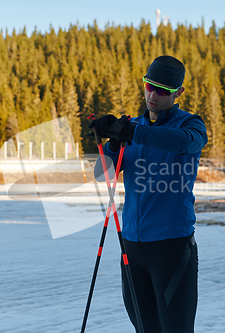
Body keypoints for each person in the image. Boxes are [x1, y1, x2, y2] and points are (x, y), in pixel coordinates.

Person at [88, 55, 208, 333]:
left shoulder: (189, 125)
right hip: (130, 245)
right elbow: (101, 175)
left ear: (178, 92)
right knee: (145, 329)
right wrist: (112, 145)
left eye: (163, 90)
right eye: (149, 86)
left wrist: (134, 132)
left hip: (172, 247)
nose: (152, 95)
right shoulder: (131, 128)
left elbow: (185, 144)